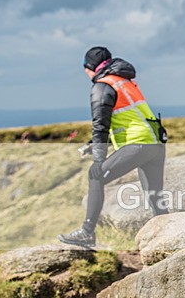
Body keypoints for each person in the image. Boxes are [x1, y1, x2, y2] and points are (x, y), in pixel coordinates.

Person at [58, 46, 167, 248]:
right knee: (155, 197)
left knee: (95, 175)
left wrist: (98, 160)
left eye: (85, 68)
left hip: (138, 145)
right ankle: (168, 238)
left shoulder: (102, 86)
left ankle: (87, 232)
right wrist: (95, 145)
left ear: (91, 67)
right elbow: (126, 119)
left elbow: (100, 125)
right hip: (155, 143)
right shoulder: (125, 81)